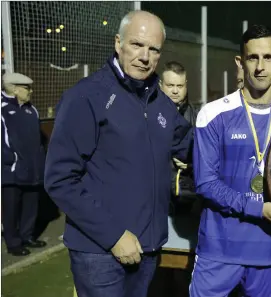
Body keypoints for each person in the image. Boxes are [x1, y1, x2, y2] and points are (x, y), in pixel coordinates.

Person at [44, 10, 192, 297]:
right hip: (100, 252)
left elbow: (188, 145)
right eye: (137, 44)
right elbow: (59, 179)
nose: (145, 56)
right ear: (118, 43)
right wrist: (113, 236)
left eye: (153, 49)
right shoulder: (87, 96)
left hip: (147, 248)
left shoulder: (160, 102)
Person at [189, 24, 271, 297]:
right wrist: (257, 207)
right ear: (240, 62)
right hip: (218, 250)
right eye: (253, 58)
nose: (260, 67)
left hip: (266, 249)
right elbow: (205, 183)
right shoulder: (213, 114)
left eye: (268, 58)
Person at [1, 72, 47, 256]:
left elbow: (37, 140)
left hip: (33, 169)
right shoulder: (3, 109)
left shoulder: (31, 110)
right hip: (11, 170)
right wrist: (11, 160)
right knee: (11, 209)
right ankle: (13, 243)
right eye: (26, 88)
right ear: (13, 89)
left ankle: (27, 236)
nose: (30, 91)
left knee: (31, 204)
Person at [159, 60, 199, 213]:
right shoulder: (147, 116)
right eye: (170, 86)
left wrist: (193, 164)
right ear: (161, 84)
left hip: (186, 198)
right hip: (157, 200)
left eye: (180, 86)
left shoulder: (198, 117)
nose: (175, 91)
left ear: (186, 85)